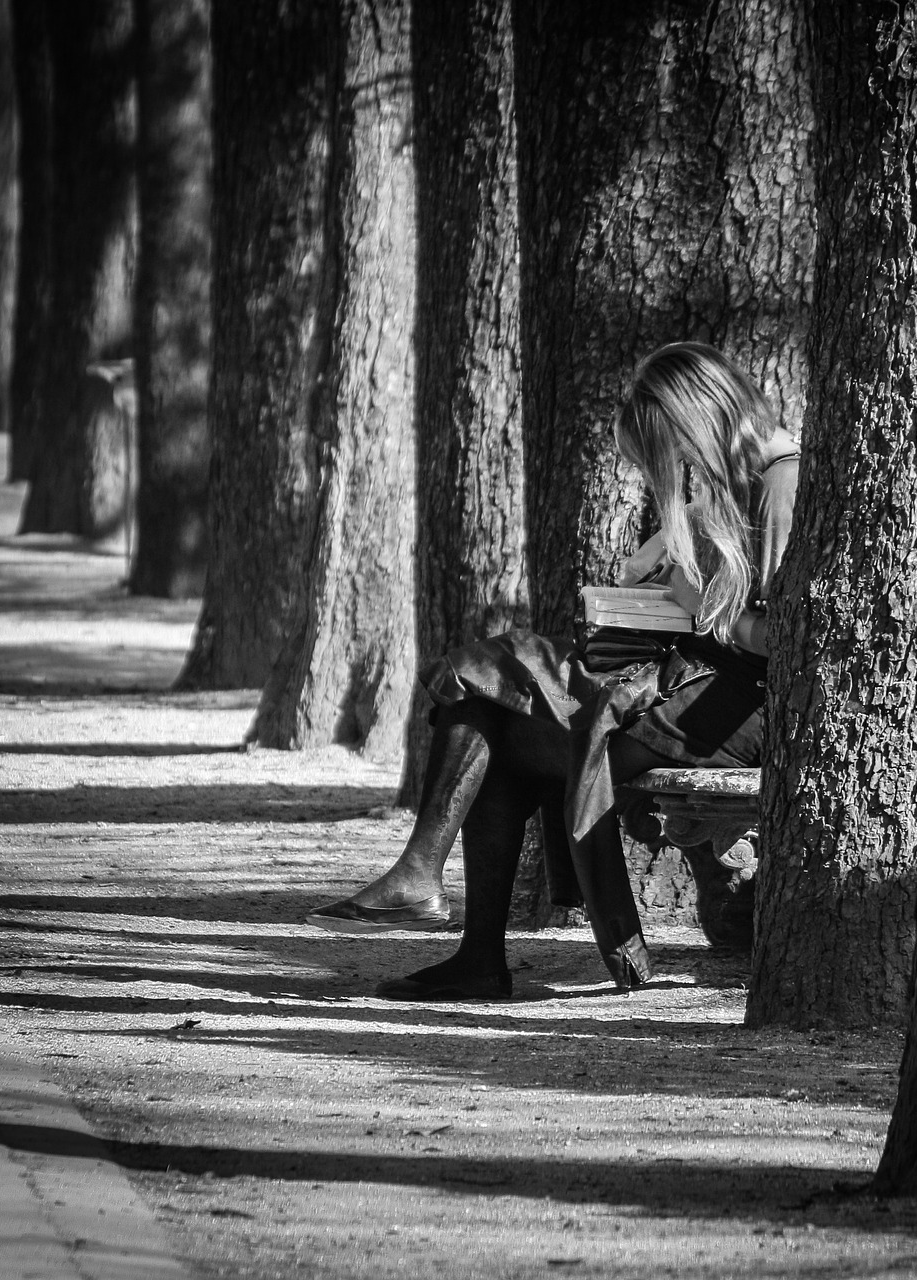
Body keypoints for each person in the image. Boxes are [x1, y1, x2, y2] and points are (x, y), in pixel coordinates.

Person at [307, 341, 800, 1000]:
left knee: (505, 729)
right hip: (698, 682)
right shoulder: (736, 481)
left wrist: (699, 607)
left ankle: (453, 921)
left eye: (676, 453)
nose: (677, 471)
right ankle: (445, 913)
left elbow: (791, 644)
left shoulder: (781, 480)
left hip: (739, 709)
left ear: (697, 425)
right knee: (486, 694)